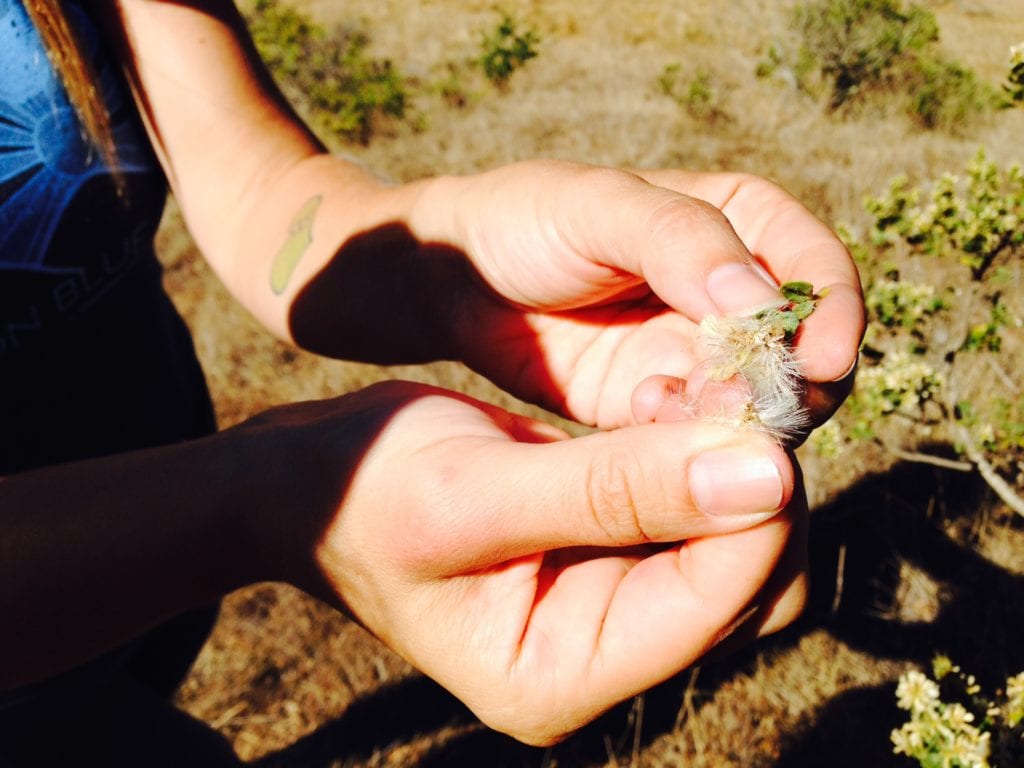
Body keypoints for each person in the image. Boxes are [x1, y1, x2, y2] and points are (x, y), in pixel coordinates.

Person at [0, 0, 864, 759]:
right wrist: (265, 502)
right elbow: (262, 503)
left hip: (157, 594)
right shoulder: (233, 510)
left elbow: (263, 192)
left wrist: (455, 262)